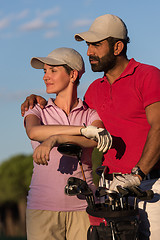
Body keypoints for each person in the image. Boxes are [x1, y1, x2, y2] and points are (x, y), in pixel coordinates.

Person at [21, 14, 160, 240]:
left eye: (96, 44)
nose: (89, 52)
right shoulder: (94, 91)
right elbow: (87, 131)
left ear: (117, 46)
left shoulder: (148, 75)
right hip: (110, 191)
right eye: (87, 45)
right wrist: (38, 100)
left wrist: (138, 173)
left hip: (149, 185)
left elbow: (159, 127)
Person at [23, 47, 112, 240]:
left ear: (72, 75)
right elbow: (34, 131)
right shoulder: (37, 110)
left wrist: (55, 139)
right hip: (42, 209)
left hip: (85, 208)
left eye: (53, 71)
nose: (46, 76)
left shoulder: (90, 114)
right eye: (45, 71)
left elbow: (93, 138)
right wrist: (80, 129)